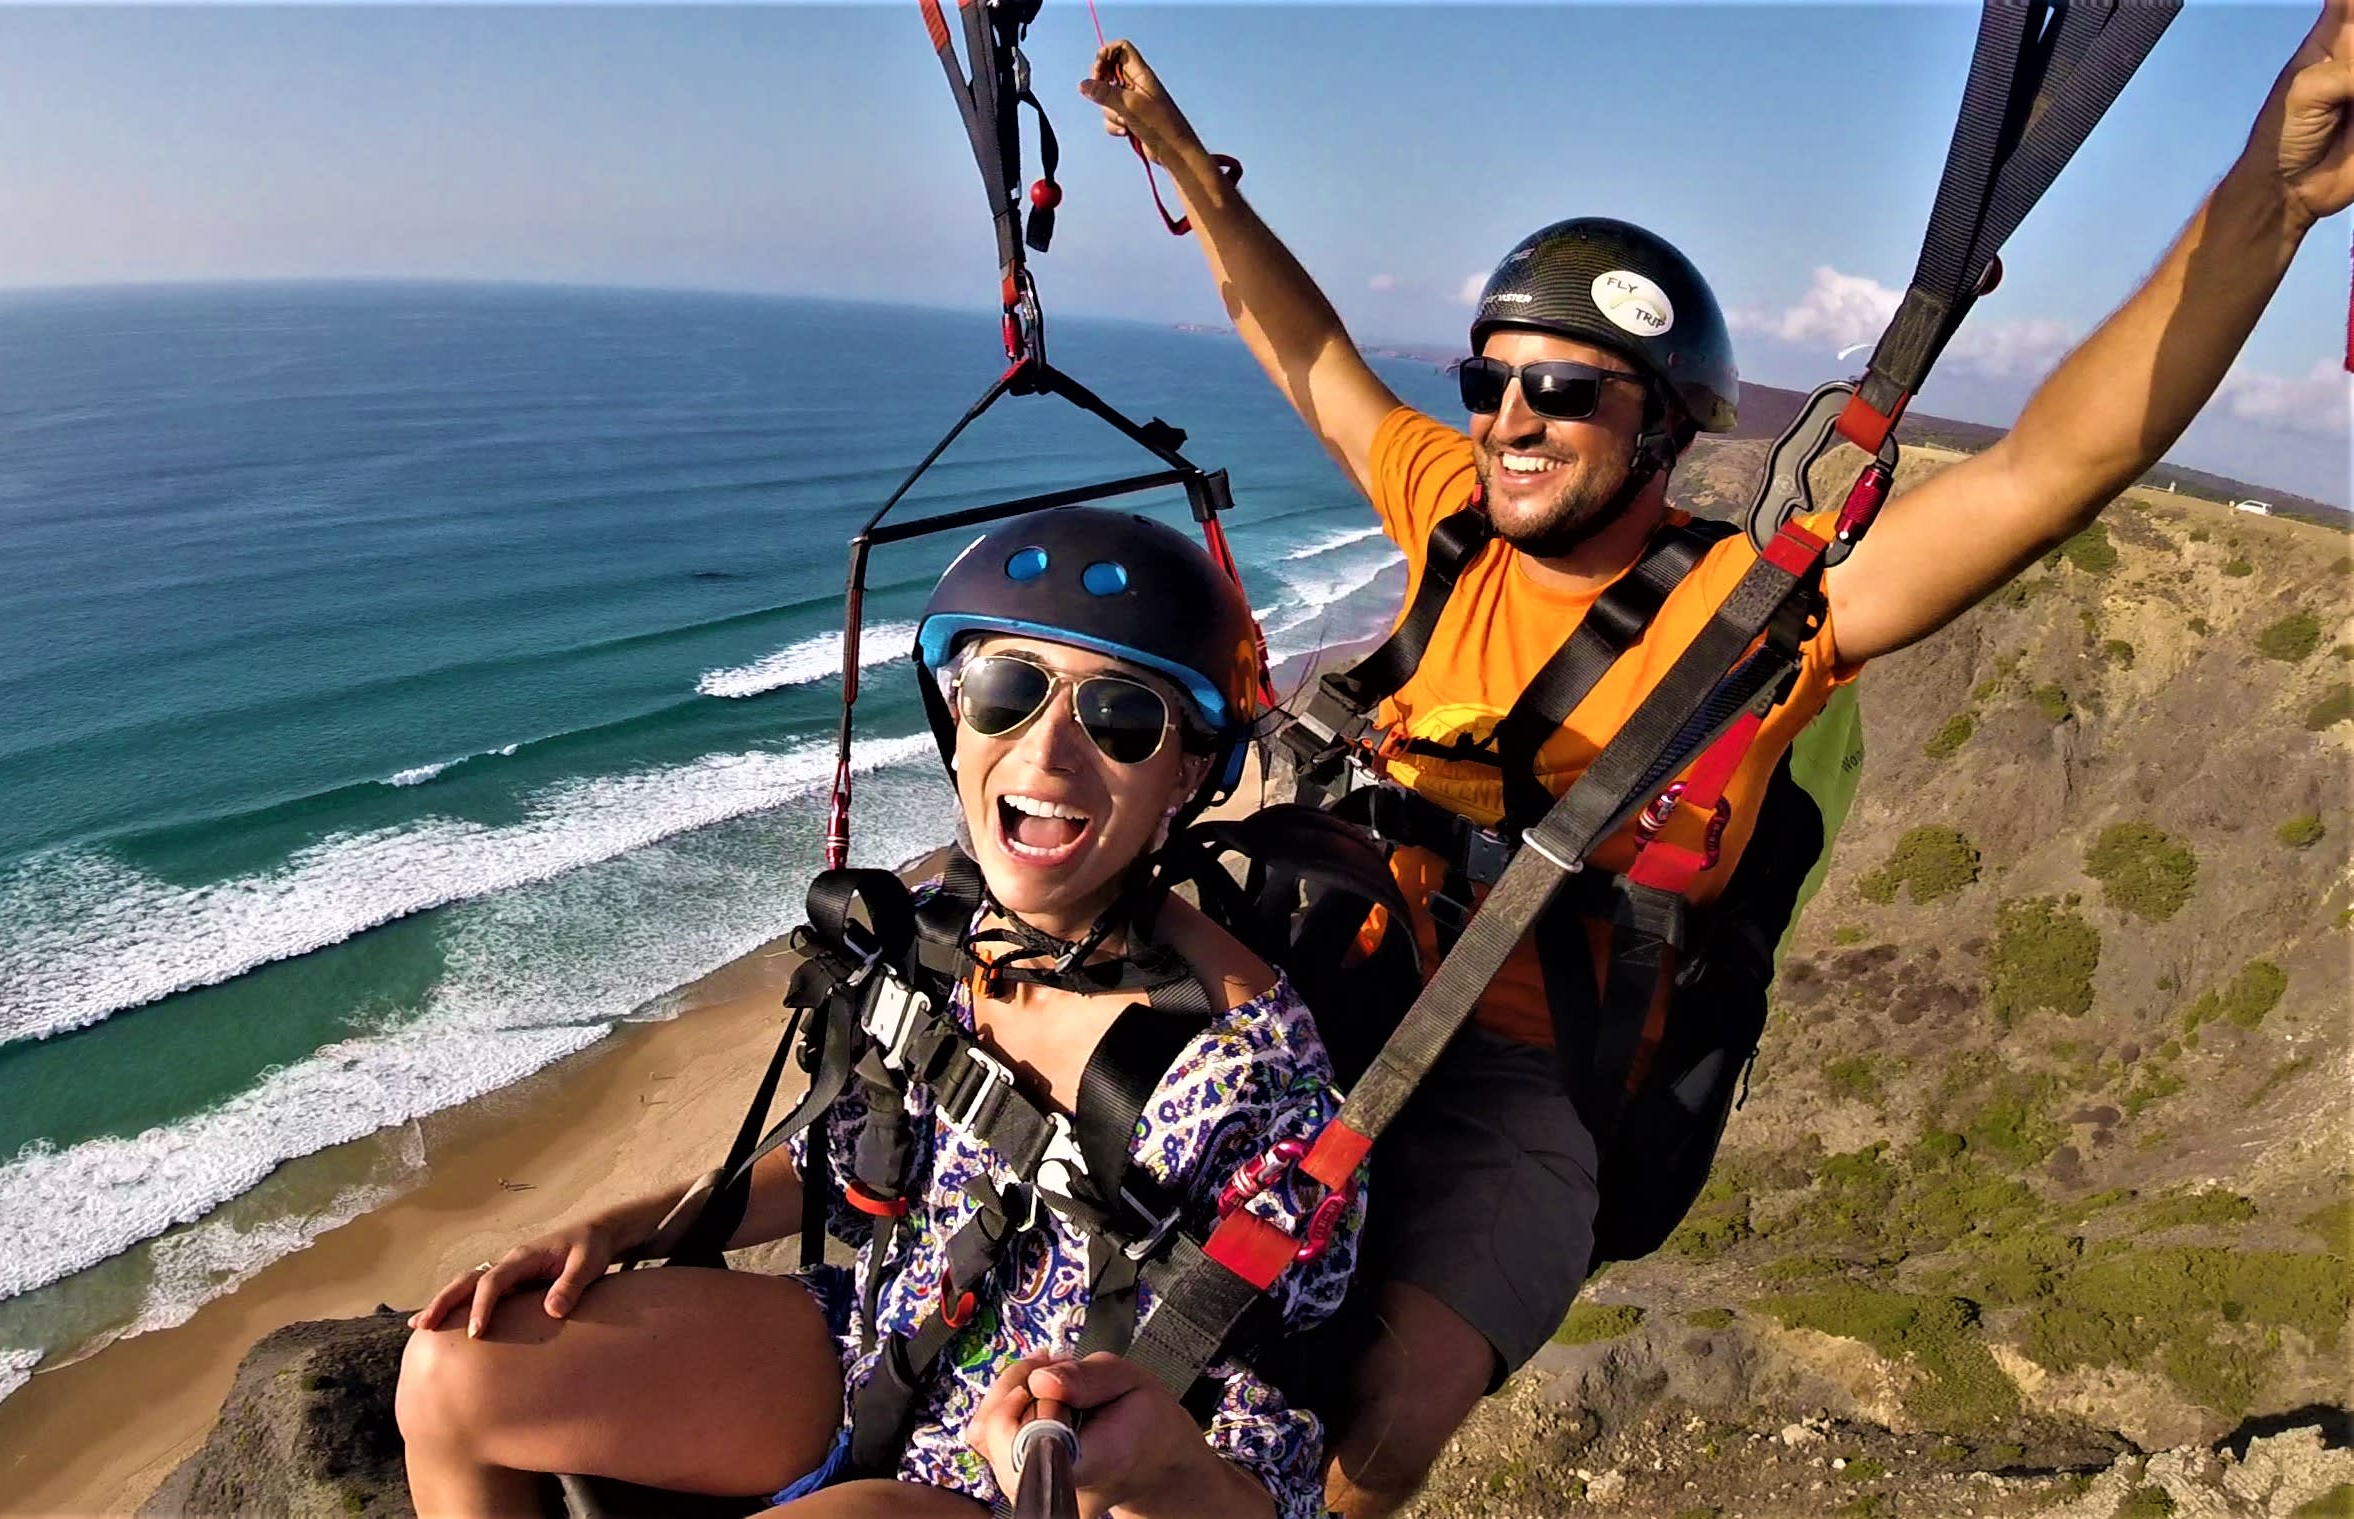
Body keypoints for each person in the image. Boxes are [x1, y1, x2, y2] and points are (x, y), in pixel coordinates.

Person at [1076, 9, 2352, 1515]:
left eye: (1562, 390)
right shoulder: (1446, 510)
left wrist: (2269, 193)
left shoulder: (1750, 617)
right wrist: (1185, 168)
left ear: (1661, 425)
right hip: (1317, 974)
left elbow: (2047, 471)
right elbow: (1306, 354)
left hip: (1510, 1067)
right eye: (1489, 381)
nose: (1505, 418)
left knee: (1391, 1393)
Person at [392, 507, 1368, 1519]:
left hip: (1033, 1477)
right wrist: (614, 1223)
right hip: (873, 1347)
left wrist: (1158, 1465)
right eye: (1008, 691)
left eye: (1121, 719)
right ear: (960, 719)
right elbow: (840, 1160)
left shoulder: (1255, 1077)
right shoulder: (949, 934)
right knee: (447, 1373)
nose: (1047, 753)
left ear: (1192, 769)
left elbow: (1274, 1469)